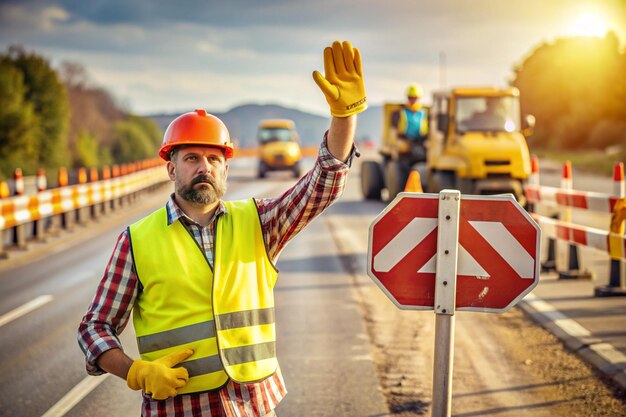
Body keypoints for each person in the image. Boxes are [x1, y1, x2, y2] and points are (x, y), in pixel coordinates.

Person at [77, 40, 367, 417]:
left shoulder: (260, 222)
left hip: (253, 406)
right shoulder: (136, 241)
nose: (205, 167)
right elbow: (94, 328)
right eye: (192, 158)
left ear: (225, 167)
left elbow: (322, 185)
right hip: (179, 409)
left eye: (214, 158)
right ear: (171, 168)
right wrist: (134, 371)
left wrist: (344, 118)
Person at [391, 83, 428, 161]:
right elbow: (394, 129)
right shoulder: (401, 112)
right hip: (406, 140)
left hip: (421, 140)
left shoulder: (424, 113)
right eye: (410, 98)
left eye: (415, 98)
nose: (413, 100)